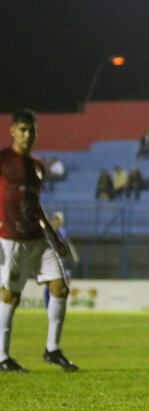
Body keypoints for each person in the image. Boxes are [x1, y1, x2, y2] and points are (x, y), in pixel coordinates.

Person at [0, 109, 77, 372]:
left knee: (60, 287)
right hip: (10, 240)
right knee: (11, 296)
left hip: (37, 239)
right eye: (22, 130)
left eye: (31, 130)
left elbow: (35, 206)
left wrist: (53, 237)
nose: (27, 135)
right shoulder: (3, 160)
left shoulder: (38, 167)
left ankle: (52, 350)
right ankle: (2, 357)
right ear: (12, 131)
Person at [43, 212, 79, 307]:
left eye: (58, 220)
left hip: (61, 263)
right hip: (50, 262)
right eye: (55, 219)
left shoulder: (62, 233)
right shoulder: (48, 232)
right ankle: (48, 305)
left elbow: (68, 245)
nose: (56, 222)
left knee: (63, 285)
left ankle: (59, 304)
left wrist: (73, 256)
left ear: (61, 222)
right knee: (49, 285)